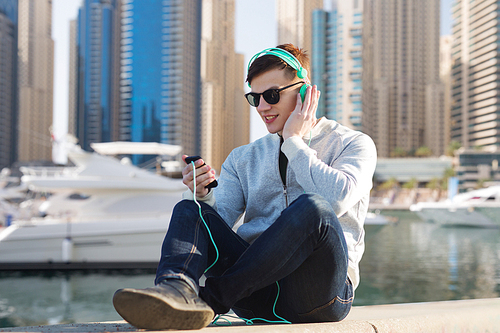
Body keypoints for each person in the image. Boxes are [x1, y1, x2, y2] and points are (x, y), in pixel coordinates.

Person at [112, 43, 377, 330]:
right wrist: (203, 195)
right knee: (192, 209)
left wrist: (294, 142)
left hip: (318, 296)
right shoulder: (242, 158)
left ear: (305, 93)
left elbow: (337, 199)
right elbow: (219, 225)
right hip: (254, 293)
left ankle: (208, 302)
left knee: (314, 208)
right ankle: (175, 290)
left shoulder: (353, 143)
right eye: (255, 98)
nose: (263, 107)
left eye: (272, 95)